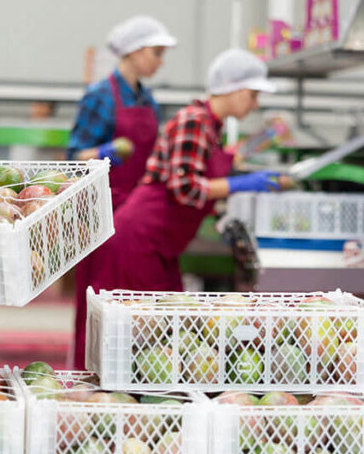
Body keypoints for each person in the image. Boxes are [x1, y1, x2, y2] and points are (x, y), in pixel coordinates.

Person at [85, 48, 285, 297]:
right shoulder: (195, 121)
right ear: (234, 89)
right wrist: (240, 184)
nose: (255, 104)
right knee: (144, 326)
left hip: (160, 245)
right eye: (253, 95)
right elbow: (185, 187)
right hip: (141, 238)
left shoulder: (211, 128)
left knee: (168, 320)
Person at [68, 15, 176, 367]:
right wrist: (104, 152)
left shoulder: (149, 100)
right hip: (103, 211)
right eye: (156, 53)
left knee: (140, 301)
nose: (160, 61)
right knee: (100, 299)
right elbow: (74, 157)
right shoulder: (100, 96)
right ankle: (92, 373)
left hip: (139, 212)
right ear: (134, 52)